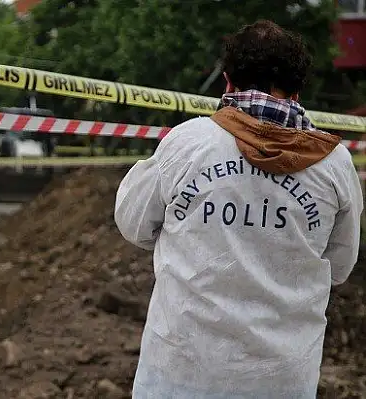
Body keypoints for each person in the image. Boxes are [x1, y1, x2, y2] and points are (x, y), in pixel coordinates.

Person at [114, 20, 363, 398]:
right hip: (282, 380)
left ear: (228, 82)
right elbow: (340, 265)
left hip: (180, 372)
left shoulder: (188, 144)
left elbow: (133, 223)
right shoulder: (335, 165)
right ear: (297, 89)